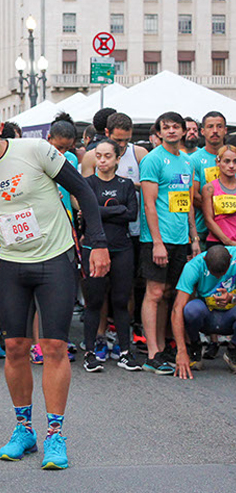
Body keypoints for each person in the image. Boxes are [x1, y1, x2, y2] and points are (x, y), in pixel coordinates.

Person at [0, 99, 110, 470]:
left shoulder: (35, 150)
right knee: (13, 347)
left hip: (55, 259)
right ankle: (24, 429)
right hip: (13, 263)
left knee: (55, 346)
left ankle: (55, 434)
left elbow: (83, 192)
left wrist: (99, 242)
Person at [139, 112, 198, 374]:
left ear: (184, 131)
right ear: (159, 132)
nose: (172, 131)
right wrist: (157, 243)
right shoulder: (153, 160)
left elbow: (186, 203)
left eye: (176, 127)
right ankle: (152, 353)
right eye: (166, 127)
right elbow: (149, 204)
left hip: (180, 238)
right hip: (157, 239)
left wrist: (193, 238)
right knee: (153, 293)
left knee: (167, 294)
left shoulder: (187, 161)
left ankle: (162, 348)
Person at [81, 139, 140, 373]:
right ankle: (90, 352)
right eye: (99, 156)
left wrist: (102, 211)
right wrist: (118, 210)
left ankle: (125, 351)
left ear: (117, 159)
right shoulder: (88, 184)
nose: (102, 160)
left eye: (107, 156)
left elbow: (132, 215)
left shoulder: (126, 185)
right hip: (93, 249)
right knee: (94, 302)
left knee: (121, 301)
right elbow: (88, 213)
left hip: (122, 248)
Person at [172, 244, 236, 379]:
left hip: (231, 315)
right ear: (205, 259)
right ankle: (194, 346)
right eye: (214, 274)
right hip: (207, 316)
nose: (219, 278)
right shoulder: (193, 266)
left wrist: (231, 298)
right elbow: (177, 309)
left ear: (231, 258)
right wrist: (181, 351)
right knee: (191, 309)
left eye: (222, 273)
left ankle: (233, 349)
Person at [190, 112, 228, 247]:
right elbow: (194, 195)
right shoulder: (194, 159)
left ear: (225, 130)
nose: (215, 131)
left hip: (231, 230)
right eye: (210, 127)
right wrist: (218, 211)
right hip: (202, 229)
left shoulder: (232, 158)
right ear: (202, 131)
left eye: (219, 126)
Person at [202, 143, 236, 249]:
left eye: (235, 161)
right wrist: (228, 242)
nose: (231, 165)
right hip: (217, 243)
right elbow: (208, 220)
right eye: (227, 161)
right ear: (218, 162)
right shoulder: (209, 188)